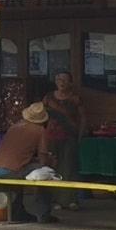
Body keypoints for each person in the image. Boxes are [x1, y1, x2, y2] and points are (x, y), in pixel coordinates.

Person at [0, 101, 58, 223]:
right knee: (46, 175)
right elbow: (43, 159)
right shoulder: (40, 130)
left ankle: (18, 213)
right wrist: (51, 163)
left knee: (18, 178)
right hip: (11, 169)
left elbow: (17, 152)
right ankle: (44, 214)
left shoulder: (15, 126)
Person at [43, 70, 85, 210]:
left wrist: (80, 135)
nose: (61, 82)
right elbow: (40, 113)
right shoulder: (48, 97)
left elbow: (83, 118)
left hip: (69, 136)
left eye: (65, 80)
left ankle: (71, 200)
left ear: (70, 83)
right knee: (53, 168)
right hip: (51, 136)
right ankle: (56, 200)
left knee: (69, 168)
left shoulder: (75, 99)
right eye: (59, 79)